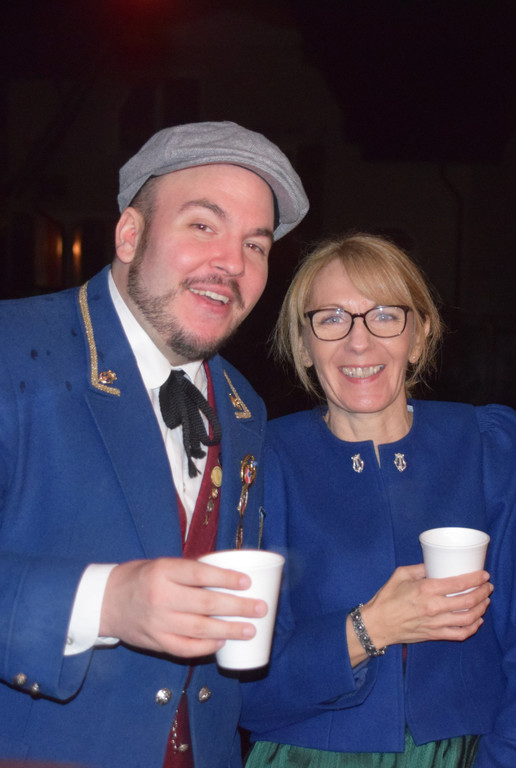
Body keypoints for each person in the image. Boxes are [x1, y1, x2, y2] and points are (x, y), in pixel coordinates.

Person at [0, 121, 309, 768]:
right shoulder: (13, 351)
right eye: (203, 225)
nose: (233, 262)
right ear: (130, 234)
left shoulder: (244, 405)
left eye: (255, 244)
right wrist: (106, 602)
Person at [241, 232, 516, 767]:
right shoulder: (263, 463)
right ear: (304, 344)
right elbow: (242, 692)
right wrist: (369, 630)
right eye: (331, 319)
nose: (359, 343)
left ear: (419, 336)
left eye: (385, 315)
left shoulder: (486, 447)